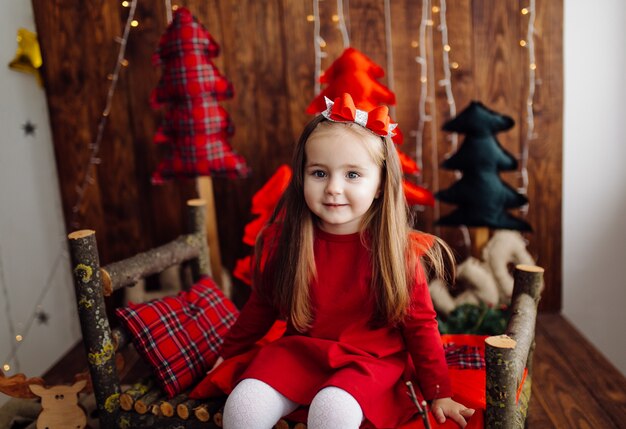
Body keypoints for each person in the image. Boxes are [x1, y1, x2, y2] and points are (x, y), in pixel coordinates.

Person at [215, 93, 475, 429]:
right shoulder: (285, 243)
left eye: (352, 175)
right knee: (243, 406)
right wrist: (227, 354)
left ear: (380, 184)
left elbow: (421, 327)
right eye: (319, 173)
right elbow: (259, 307)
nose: (333, 188)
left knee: (331, 411)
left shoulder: (396, 254)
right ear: (301, 177)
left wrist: (439, 391)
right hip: (301, 353)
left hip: (368, 361)